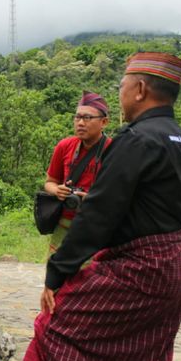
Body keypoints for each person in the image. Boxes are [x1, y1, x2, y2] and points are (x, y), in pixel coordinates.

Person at [7, 52, 181, 361]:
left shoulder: (136, 140)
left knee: (57, 326)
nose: (121, 94)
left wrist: (57, 273)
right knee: (142, 359)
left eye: (123, 86)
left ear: (140, 89)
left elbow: (100, 213)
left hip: (141, 269)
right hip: (176, 266)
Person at [44, 91, 111, 253]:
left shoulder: (114, 150)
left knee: (90, 276)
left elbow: (122, 195)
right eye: (77, 117)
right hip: (65, 223)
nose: (80, 123)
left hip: (98, 225)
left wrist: (93, 199)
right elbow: (49, 182)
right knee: (56, 273)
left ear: (104, 122)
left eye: (87, 118)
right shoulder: (64, 146)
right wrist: (57, 190)